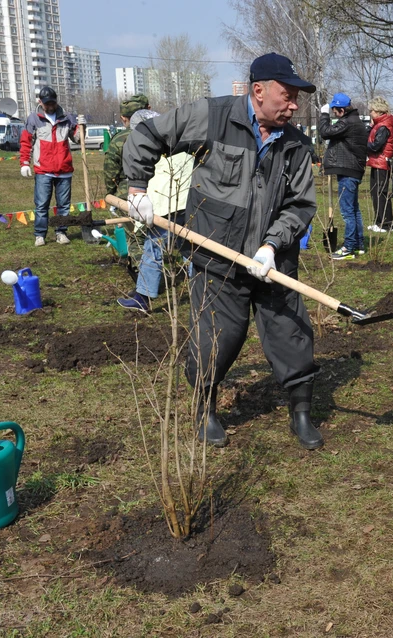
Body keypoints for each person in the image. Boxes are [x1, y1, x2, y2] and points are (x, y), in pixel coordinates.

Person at [122, 52, 322, 450]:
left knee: (292, 336)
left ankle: (301, 411)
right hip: (217, 256)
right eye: (288, 94)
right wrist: (137, 189)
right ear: (259, 90)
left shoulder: (296, 144)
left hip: (273, 263)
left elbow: (301, 204)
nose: (294, 104)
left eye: (298, 97)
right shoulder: (211, 117)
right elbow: (147, 136)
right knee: (216, 339)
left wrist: (271, 244)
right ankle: (205, 409)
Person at [108, 104, 195, 312]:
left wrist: (139, 216)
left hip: (167, 207)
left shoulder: (149, 150)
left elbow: (153, 186)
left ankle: (143, 297)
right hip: (190, 202)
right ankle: (204, 290)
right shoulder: (180, 142)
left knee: (152, 249)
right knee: (188, 248)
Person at [19, 86, 85, 247]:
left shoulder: (67, 118)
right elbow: (26, 142)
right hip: (44, 170)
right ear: (40, 102)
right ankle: (40, 235)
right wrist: (24, 163)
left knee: (64, 205)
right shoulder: (34, 119)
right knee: (42, 205)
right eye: (47, 103)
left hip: (64, 170)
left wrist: (82, 127)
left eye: (52, 103)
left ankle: (61, 232)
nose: (50, 106)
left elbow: (77, 139)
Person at [318, 92, 368, 260]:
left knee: (347, 212)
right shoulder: (355, 121)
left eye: (334, 110)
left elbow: (325, 132)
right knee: (354, 210)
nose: (333, 113)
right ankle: (358, 244)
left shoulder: (348, 122)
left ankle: (348, 247)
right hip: (352, 169)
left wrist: (323, 115)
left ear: (340, 109)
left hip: (348, 170)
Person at [366, 97, 393, 233]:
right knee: (376, 192)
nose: (370, 113)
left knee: (380, 193)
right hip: (377, 162)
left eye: (372, 111)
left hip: (381, 162)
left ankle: (385, 223)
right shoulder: (379, 125)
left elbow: (376, 146)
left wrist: (364, 145)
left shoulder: (384, 126)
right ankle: (380, 221)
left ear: (378, 111)